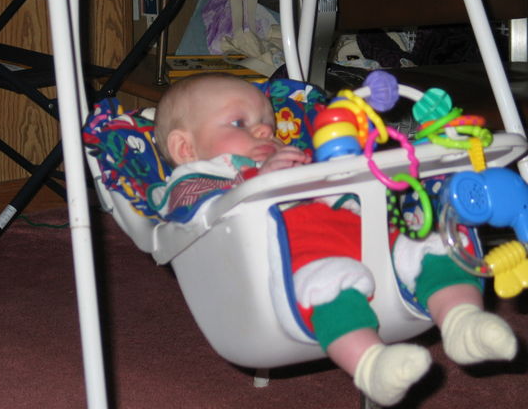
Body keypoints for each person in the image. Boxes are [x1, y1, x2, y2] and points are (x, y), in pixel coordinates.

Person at [153, 72, 518, 407]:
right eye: (239, 123)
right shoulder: (197, 177)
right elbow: (186, 207)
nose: (264, 130)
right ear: (185, 148)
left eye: (268, 123)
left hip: (370, 233)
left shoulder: (295, 156)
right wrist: (251, 180)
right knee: (329, 286)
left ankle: (462, 321)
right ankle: (371, 364)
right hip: (305, 257)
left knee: (434, 247)